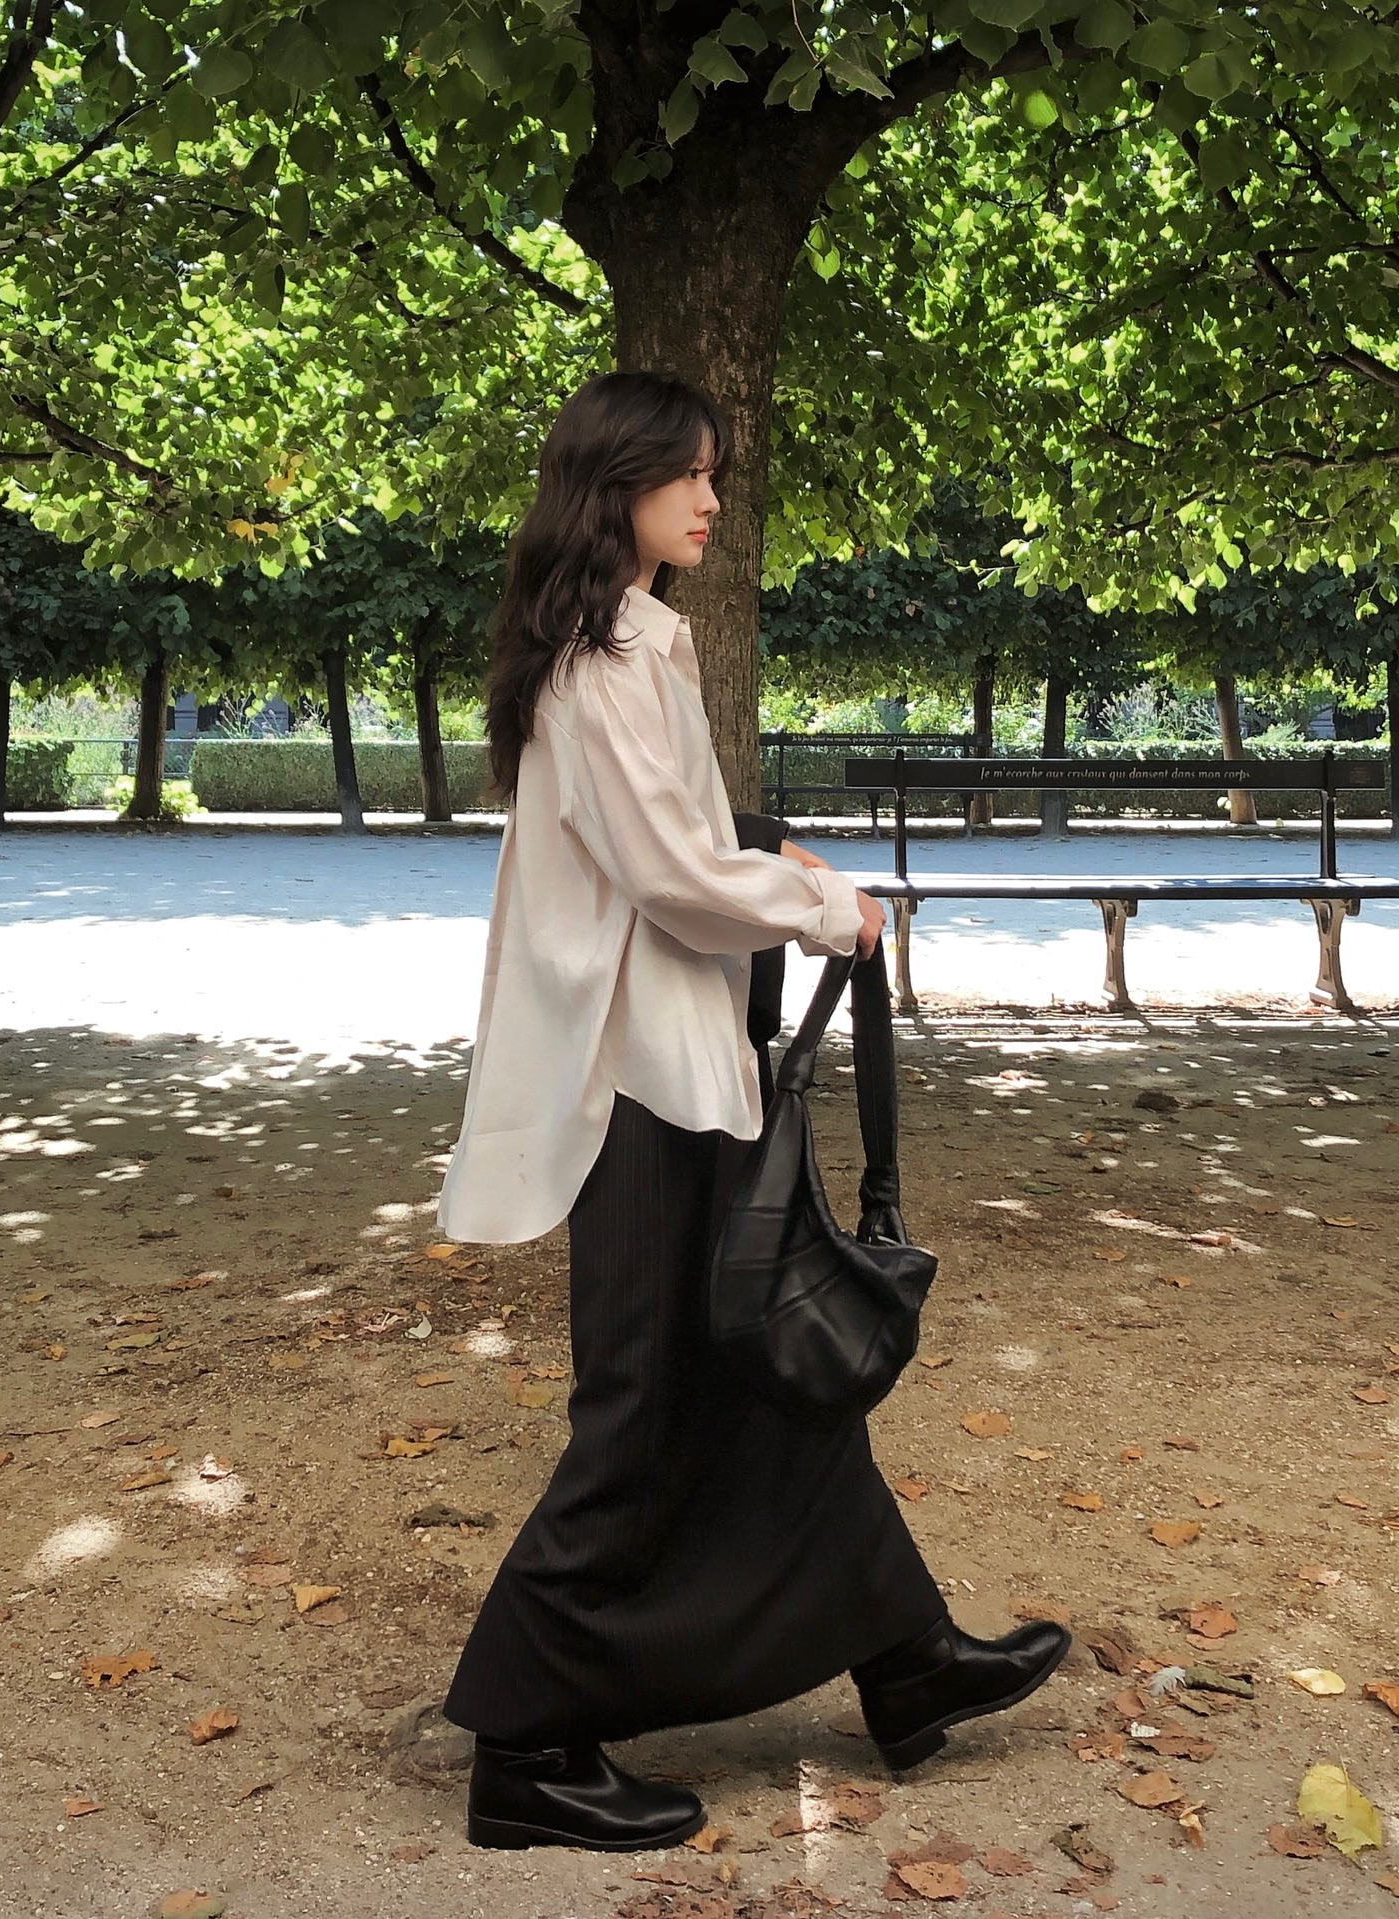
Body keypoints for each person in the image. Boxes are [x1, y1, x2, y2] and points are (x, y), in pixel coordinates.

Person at [435, 370, 1070, 1853]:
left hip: (680, 1068)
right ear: (620, 484)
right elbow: (667, 879)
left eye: (715, 474)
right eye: (691, 474)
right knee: (645, 1406)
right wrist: (819, 906)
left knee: (768, 1380)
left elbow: (666, 839)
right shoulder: (601, 661)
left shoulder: (632, 645)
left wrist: (761, 852)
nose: (714, 499)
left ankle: (905, 1657)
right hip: (635, 1086)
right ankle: (522, 1747)